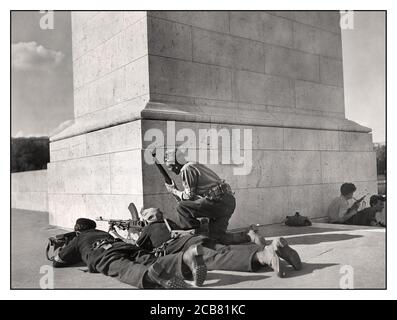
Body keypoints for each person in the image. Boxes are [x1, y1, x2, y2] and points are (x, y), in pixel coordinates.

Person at [136, 208, 302, 278]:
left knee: (216, 259)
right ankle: (274, 248)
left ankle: (264, 256)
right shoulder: (168, 223)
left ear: (146, 220)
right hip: (195, 239)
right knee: (226, 250)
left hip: (188, 247)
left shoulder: (147, 230)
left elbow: (137, 249)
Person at [52, 218, 208, 288]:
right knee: (150, 259)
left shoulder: (80, 238)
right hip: (123, 246)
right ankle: (186, 258)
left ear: (78, 231)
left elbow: (58, 261)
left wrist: (66, 245)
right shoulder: (101, 232)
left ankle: (150, 276)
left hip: (102, 253)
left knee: (122, 267)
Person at [163, 148, 251, 245]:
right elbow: (195, 197)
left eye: (170, 166)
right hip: (227, 202)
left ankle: (193, 240)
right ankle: (249, 236)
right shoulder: (194, 165)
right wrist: (177, 192)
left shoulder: (186, 168)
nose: (170, 170)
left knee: (182, 207)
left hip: (218, 202)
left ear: (175, 164)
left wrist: (174, 191)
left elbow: (189, 196)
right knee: (218, 238)